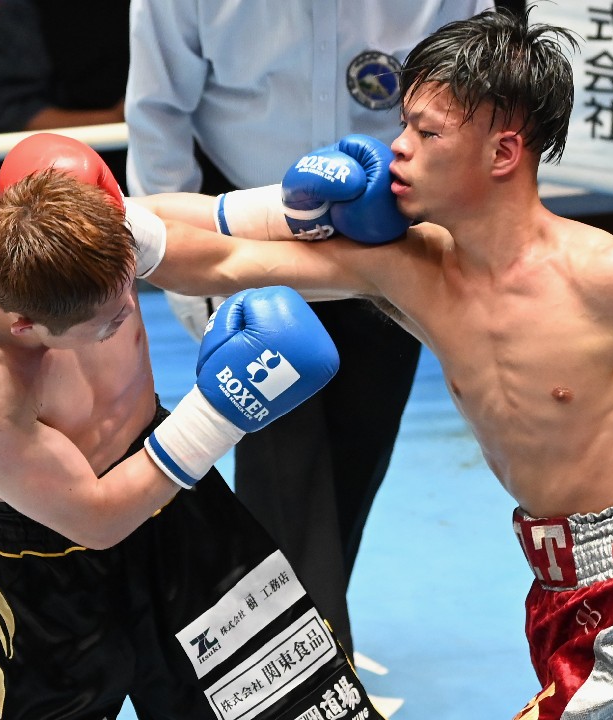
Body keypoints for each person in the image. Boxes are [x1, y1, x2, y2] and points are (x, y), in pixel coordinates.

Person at [124, 8, 613, 718]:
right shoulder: (412, 269)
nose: (397, 148)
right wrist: (110, 215)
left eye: (426, 134)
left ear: (502, 153)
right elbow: (222, 255)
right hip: (553, 590)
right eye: (403, 125)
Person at [0, 134, 386, 720]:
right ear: (27, 328)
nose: (130, 311)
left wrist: (298, 217)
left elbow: (195, 240)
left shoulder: (79, 231)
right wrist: (220, 410)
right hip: (44, 565)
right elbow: (96, 519)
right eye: (109, 323)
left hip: (178, 511)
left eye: (129, 292)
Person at [124, 0, 493, 661]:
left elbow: (477, 107)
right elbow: (158, 116)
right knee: (281, 467)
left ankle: (301, 640)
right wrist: (186, 282)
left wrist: (463, 241)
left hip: (396, 228)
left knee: (358, 455)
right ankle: (306, 664)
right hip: (239, 223)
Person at [0, 0, 129, 187]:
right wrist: (115, 118)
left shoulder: (148, 9)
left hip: (138, 166)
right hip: (54, 184)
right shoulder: (23, 13)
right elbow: (1, 115)